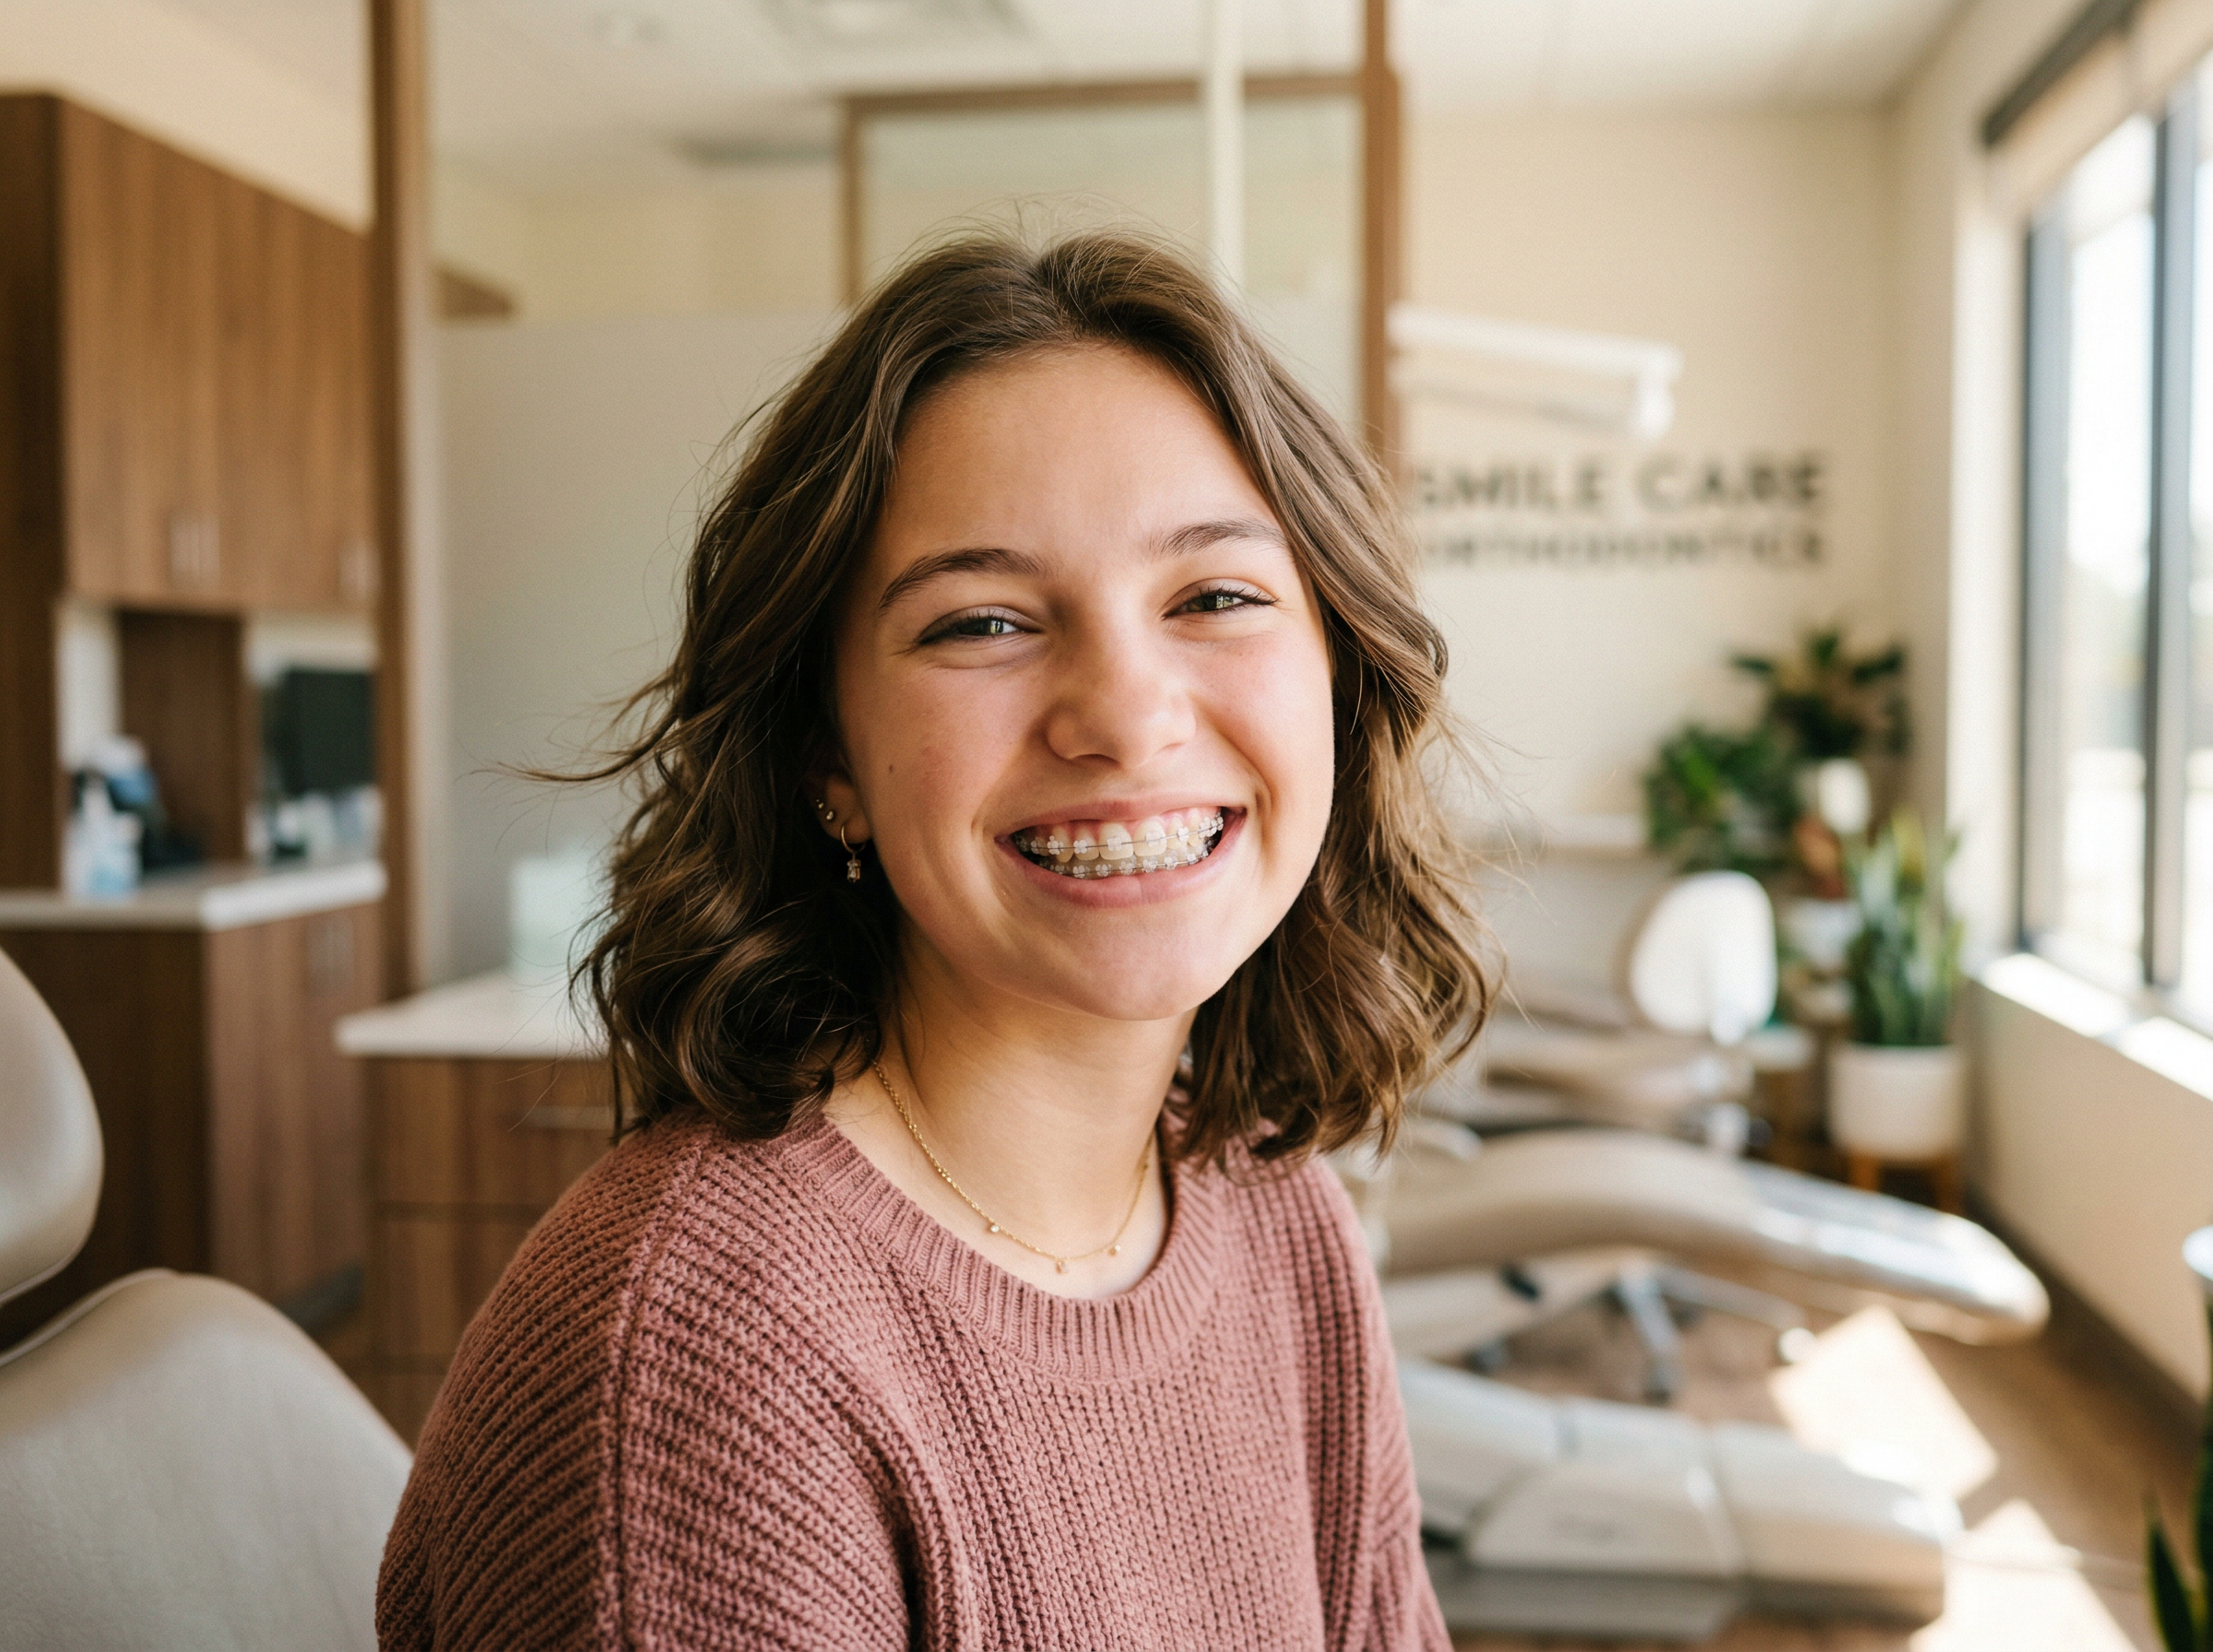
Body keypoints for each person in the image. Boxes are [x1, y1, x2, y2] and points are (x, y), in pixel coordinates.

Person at [376, 230, 1489, 1650]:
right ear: (825, 757)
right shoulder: (715, 1372)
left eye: (1215, 597)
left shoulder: (1268, 1210)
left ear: (1339, 676)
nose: (1127, 714)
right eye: (983, 622)